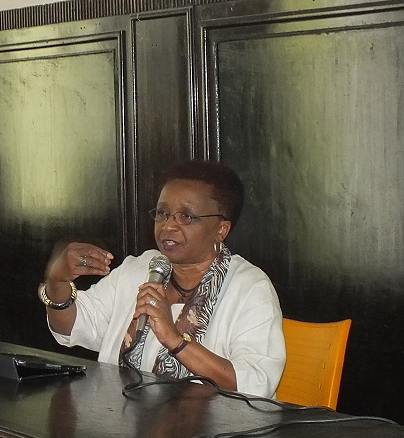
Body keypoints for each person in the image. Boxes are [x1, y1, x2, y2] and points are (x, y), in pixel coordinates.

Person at [40, 159, 286, 397]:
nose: (168, 226)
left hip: (212, 425)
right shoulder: (140, 269)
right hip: (122, 418)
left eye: (186, 216)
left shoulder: (250, 289)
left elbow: (255, 383)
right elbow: (71, 327)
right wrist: (57, 282)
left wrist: (176, 340)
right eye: (162, 213)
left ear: (221, 230)